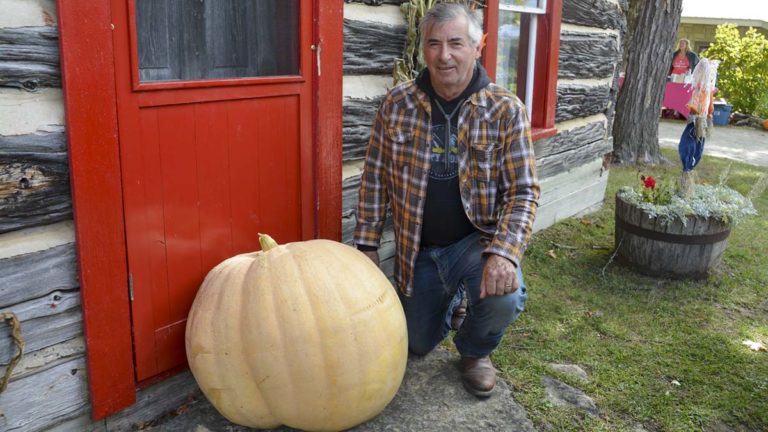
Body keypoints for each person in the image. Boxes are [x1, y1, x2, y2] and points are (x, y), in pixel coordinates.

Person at [354, 3, 539, 398]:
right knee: (417, 344)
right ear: (424, 49)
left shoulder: (506, 110)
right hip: (418, 251)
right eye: (434, 44)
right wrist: (366, 245)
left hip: (476, 242)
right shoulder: (397, 104)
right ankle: (454, 298)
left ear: (477, 47)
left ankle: (474, 351)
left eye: (456, 43)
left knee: (505, 294)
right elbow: (374, 178)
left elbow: (523, 191)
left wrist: (504, 253)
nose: (444, 55)